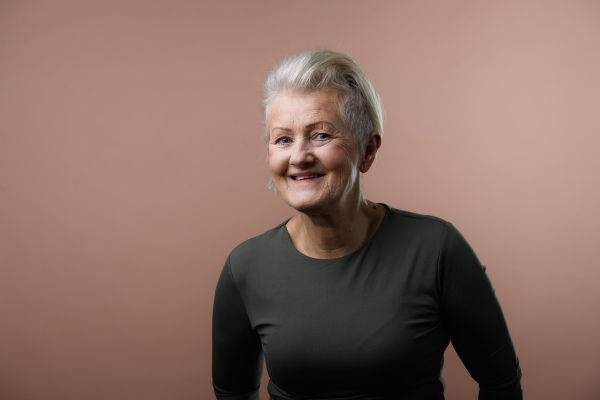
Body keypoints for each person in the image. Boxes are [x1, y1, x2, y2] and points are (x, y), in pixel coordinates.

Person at [212, 49, 522, 400]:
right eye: (283, 139)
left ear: (368, 150)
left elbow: (501, 385)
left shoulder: (436, 250)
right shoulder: (245, 268)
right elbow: (233, 394)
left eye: (321, 136)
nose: (299, 156)